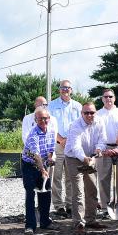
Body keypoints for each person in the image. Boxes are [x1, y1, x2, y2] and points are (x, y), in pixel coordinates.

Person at [64, 102, 108, 233]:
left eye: (92, 112)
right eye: (86, 113)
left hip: (90, 156)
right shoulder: (75, 125)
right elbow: (75, 146)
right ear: (81, 113)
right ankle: (78, 222)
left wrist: (99, 150)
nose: (89, 115)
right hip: (73, 158)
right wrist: (84, 159)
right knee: (78, 190)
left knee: (92, 189)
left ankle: (90, 219)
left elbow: (102, 140)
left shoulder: (99, 122)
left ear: (96, 113)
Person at [48, 80, 83, 218]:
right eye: (63, 88)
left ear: (71, 90)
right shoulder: (52, 105)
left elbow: (81, 125)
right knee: (56, 176)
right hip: (57, 143)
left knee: (71, 175)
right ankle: (58, 205)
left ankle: (69, 204)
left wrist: (69, 140)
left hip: (73, 144)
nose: (65, 90)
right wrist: (61, 140)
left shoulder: (78, 106)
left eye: (67, 88)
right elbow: (49, 125)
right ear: (59, 90)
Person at [21, 107, 56, 233]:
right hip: (29, 165)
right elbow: (36, 156)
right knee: (30, 195)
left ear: (49, 119)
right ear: (36, 120)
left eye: (45, 118)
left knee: (46, 194)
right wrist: (43, 170)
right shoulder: (33, 134)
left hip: (43, 164)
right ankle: (30, 225)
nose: (43, 120)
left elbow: (51, 149)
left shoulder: (51, 131)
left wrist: (50, 159)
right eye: (40, 118)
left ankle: (45, 222)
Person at [95, 88, 118, 220]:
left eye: (110, 96)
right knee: (103, 179)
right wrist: (103, 149)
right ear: (102, 99)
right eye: (105, 97)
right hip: (104, 149)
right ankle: (104, 208)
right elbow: (96, 134)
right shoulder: (97, 114)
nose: (108, 99)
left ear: (114, 98)